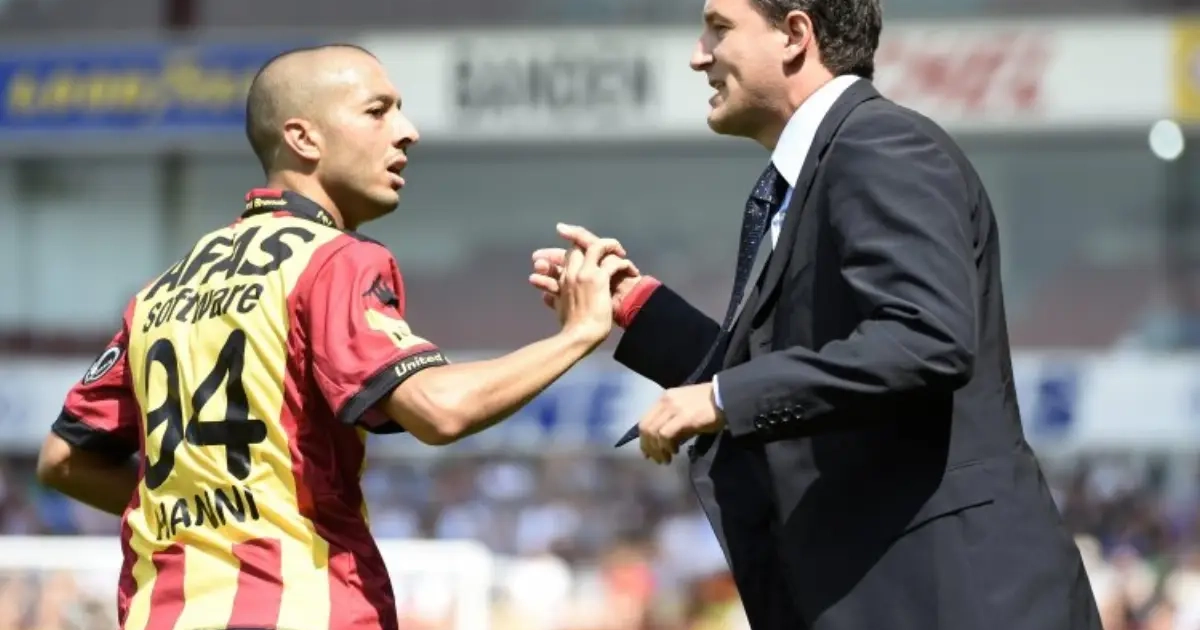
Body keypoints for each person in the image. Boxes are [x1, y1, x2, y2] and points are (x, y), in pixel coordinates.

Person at [530, 0, 1104, 628]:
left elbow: (924, 338)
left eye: (719, 28)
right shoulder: (825, 166)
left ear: (795, 35)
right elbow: (794, 375)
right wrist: (637, 308)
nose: (699, 55)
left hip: (959, 600)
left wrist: (721, 398)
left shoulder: (879, 145)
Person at [35, 44, 626, 630]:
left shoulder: (161, 290)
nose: (408, 132)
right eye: (378, 111)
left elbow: (64, 460)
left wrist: (208, 522)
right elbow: (438, 409)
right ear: (304, 138)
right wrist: (578, 334)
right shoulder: (333, 260)